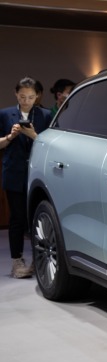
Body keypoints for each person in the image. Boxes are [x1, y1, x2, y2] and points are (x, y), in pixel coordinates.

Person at [0, 77, 52, 278]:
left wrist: (33, 135)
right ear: (16, 94)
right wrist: (10, 136)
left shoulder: (45, 115)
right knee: (17, 218)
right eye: (22, 97)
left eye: (30, 97)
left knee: (38, 217)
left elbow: (50, 145)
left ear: (37, 96)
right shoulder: (5, 114)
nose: (26, 101)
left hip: (38, 172)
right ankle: (17, 262)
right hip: (13, 173)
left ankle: (39, 260)